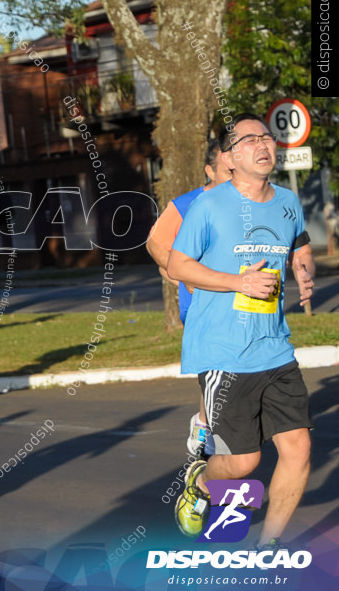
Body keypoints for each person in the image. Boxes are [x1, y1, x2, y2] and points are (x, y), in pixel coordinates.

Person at [169, 114, 315, 550]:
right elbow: (178, 266)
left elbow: (300, 244)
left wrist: (304, 272)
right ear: (231, 157)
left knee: (298, 450)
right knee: (242, 463)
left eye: (267, 137)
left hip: (275, 347)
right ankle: (199, 480)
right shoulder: (210, 205)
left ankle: (268, 545)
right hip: (223, 352)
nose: (263, 144)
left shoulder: (288, 201)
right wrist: (239, 281)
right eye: (249, 139)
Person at [146, 139, 232, 456]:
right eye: (227, 169)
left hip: (246, 305)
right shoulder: (189, 203)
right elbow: (155, 243)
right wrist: (178, 271)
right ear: (210, 170)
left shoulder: (250, 202)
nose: (234, 173)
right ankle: (208, 432)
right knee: (217, 372)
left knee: (233, 374)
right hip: (203, 308)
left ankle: (208, 423)